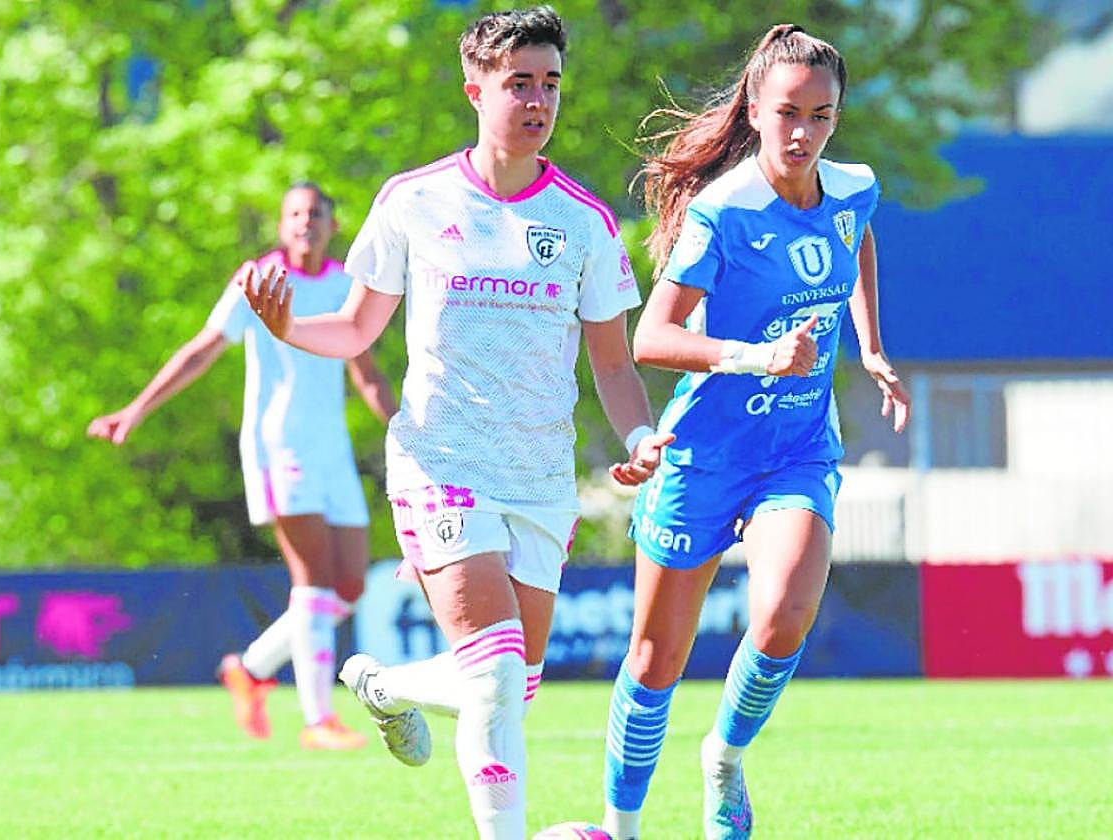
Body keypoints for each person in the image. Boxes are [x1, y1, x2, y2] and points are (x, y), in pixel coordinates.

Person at [243, 7, 670, 838]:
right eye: (519, 83)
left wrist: (638, 438)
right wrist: (290, 327)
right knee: (497, 673)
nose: (538, 99)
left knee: (511, 683)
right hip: (441, 462)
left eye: (550, 82)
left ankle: (384, 685)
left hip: (541, 479)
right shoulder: (413, 201)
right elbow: (359, 330)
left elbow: (613, 365)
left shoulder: (584, 221)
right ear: (475, 89)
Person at [597, 24, 912, 840]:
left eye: (822, 114)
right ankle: (621, 828)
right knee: (654, 662)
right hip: (704, 453)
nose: (804, 133)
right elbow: (652, 338)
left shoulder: (853, 187)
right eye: (787, 114)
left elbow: (859, 238)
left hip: (798, 450)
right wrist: (756, 355)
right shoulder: (723, 210)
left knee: (783, 618)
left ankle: (726, 760)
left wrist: (870, 343)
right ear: (755, 109)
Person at [87, 182, 396, 751]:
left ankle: (251, 668)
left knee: (348, 585)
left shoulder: (343, 283)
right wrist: (136, 409)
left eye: (317, 214)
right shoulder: (255, 280)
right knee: (314, 582)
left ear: (332, 225)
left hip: (332, 452)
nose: (306, 222)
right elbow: (203, 348)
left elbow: (365, 369)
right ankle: (318, 720)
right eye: (296, 213)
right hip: (281, 447)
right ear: (282, 225)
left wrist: (403, 428)